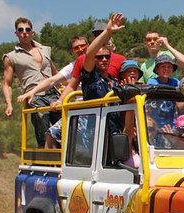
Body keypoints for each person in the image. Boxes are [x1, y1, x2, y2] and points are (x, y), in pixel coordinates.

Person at [45, 13, 125, 148]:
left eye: (107, 56)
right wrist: (107, 31)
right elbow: (89, 55)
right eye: (99, 57)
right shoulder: (91, 76)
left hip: (114, 129)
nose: (104, 59)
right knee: (52, 133)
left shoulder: (114, 82)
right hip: (94, 128)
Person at [2, 17, 59, 146]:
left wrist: (73, 87)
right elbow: (7, 83)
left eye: (27, 29)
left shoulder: (44, 49)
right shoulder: (11, 57)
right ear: (16, 33)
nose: (24, 32)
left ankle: (61, 161)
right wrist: (9, 105)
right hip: (34, 96)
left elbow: (55, 73)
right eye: (20, 30)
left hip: (53, 93)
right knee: (43, 130)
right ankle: (46, 162)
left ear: (32, 32)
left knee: (63, 128)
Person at [17, 35, 88, 105]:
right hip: (82, 106)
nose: (80, 49)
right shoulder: (72, 67)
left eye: (83, 46)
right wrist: (32, 92)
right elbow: (51, 81)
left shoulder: (98, 60)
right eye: (76, 48)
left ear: (89, 46)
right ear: (72, 51)